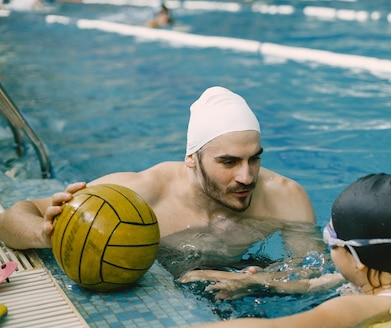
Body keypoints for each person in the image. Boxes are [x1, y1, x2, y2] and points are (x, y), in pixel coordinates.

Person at [91, 173, 391, 328]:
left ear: (350, 252)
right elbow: (318, 283)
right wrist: (254, 282)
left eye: (330, 238)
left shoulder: (362, 305)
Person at [0, 87, 318, 265]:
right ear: (192, 159)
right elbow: (13, 217)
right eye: (229, 162)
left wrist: (256, 281)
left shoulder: (285, 196)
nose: (247, 177)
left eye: (254, 159)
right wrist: (46, 235)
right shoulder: (137, 193)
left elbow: (314, 272)